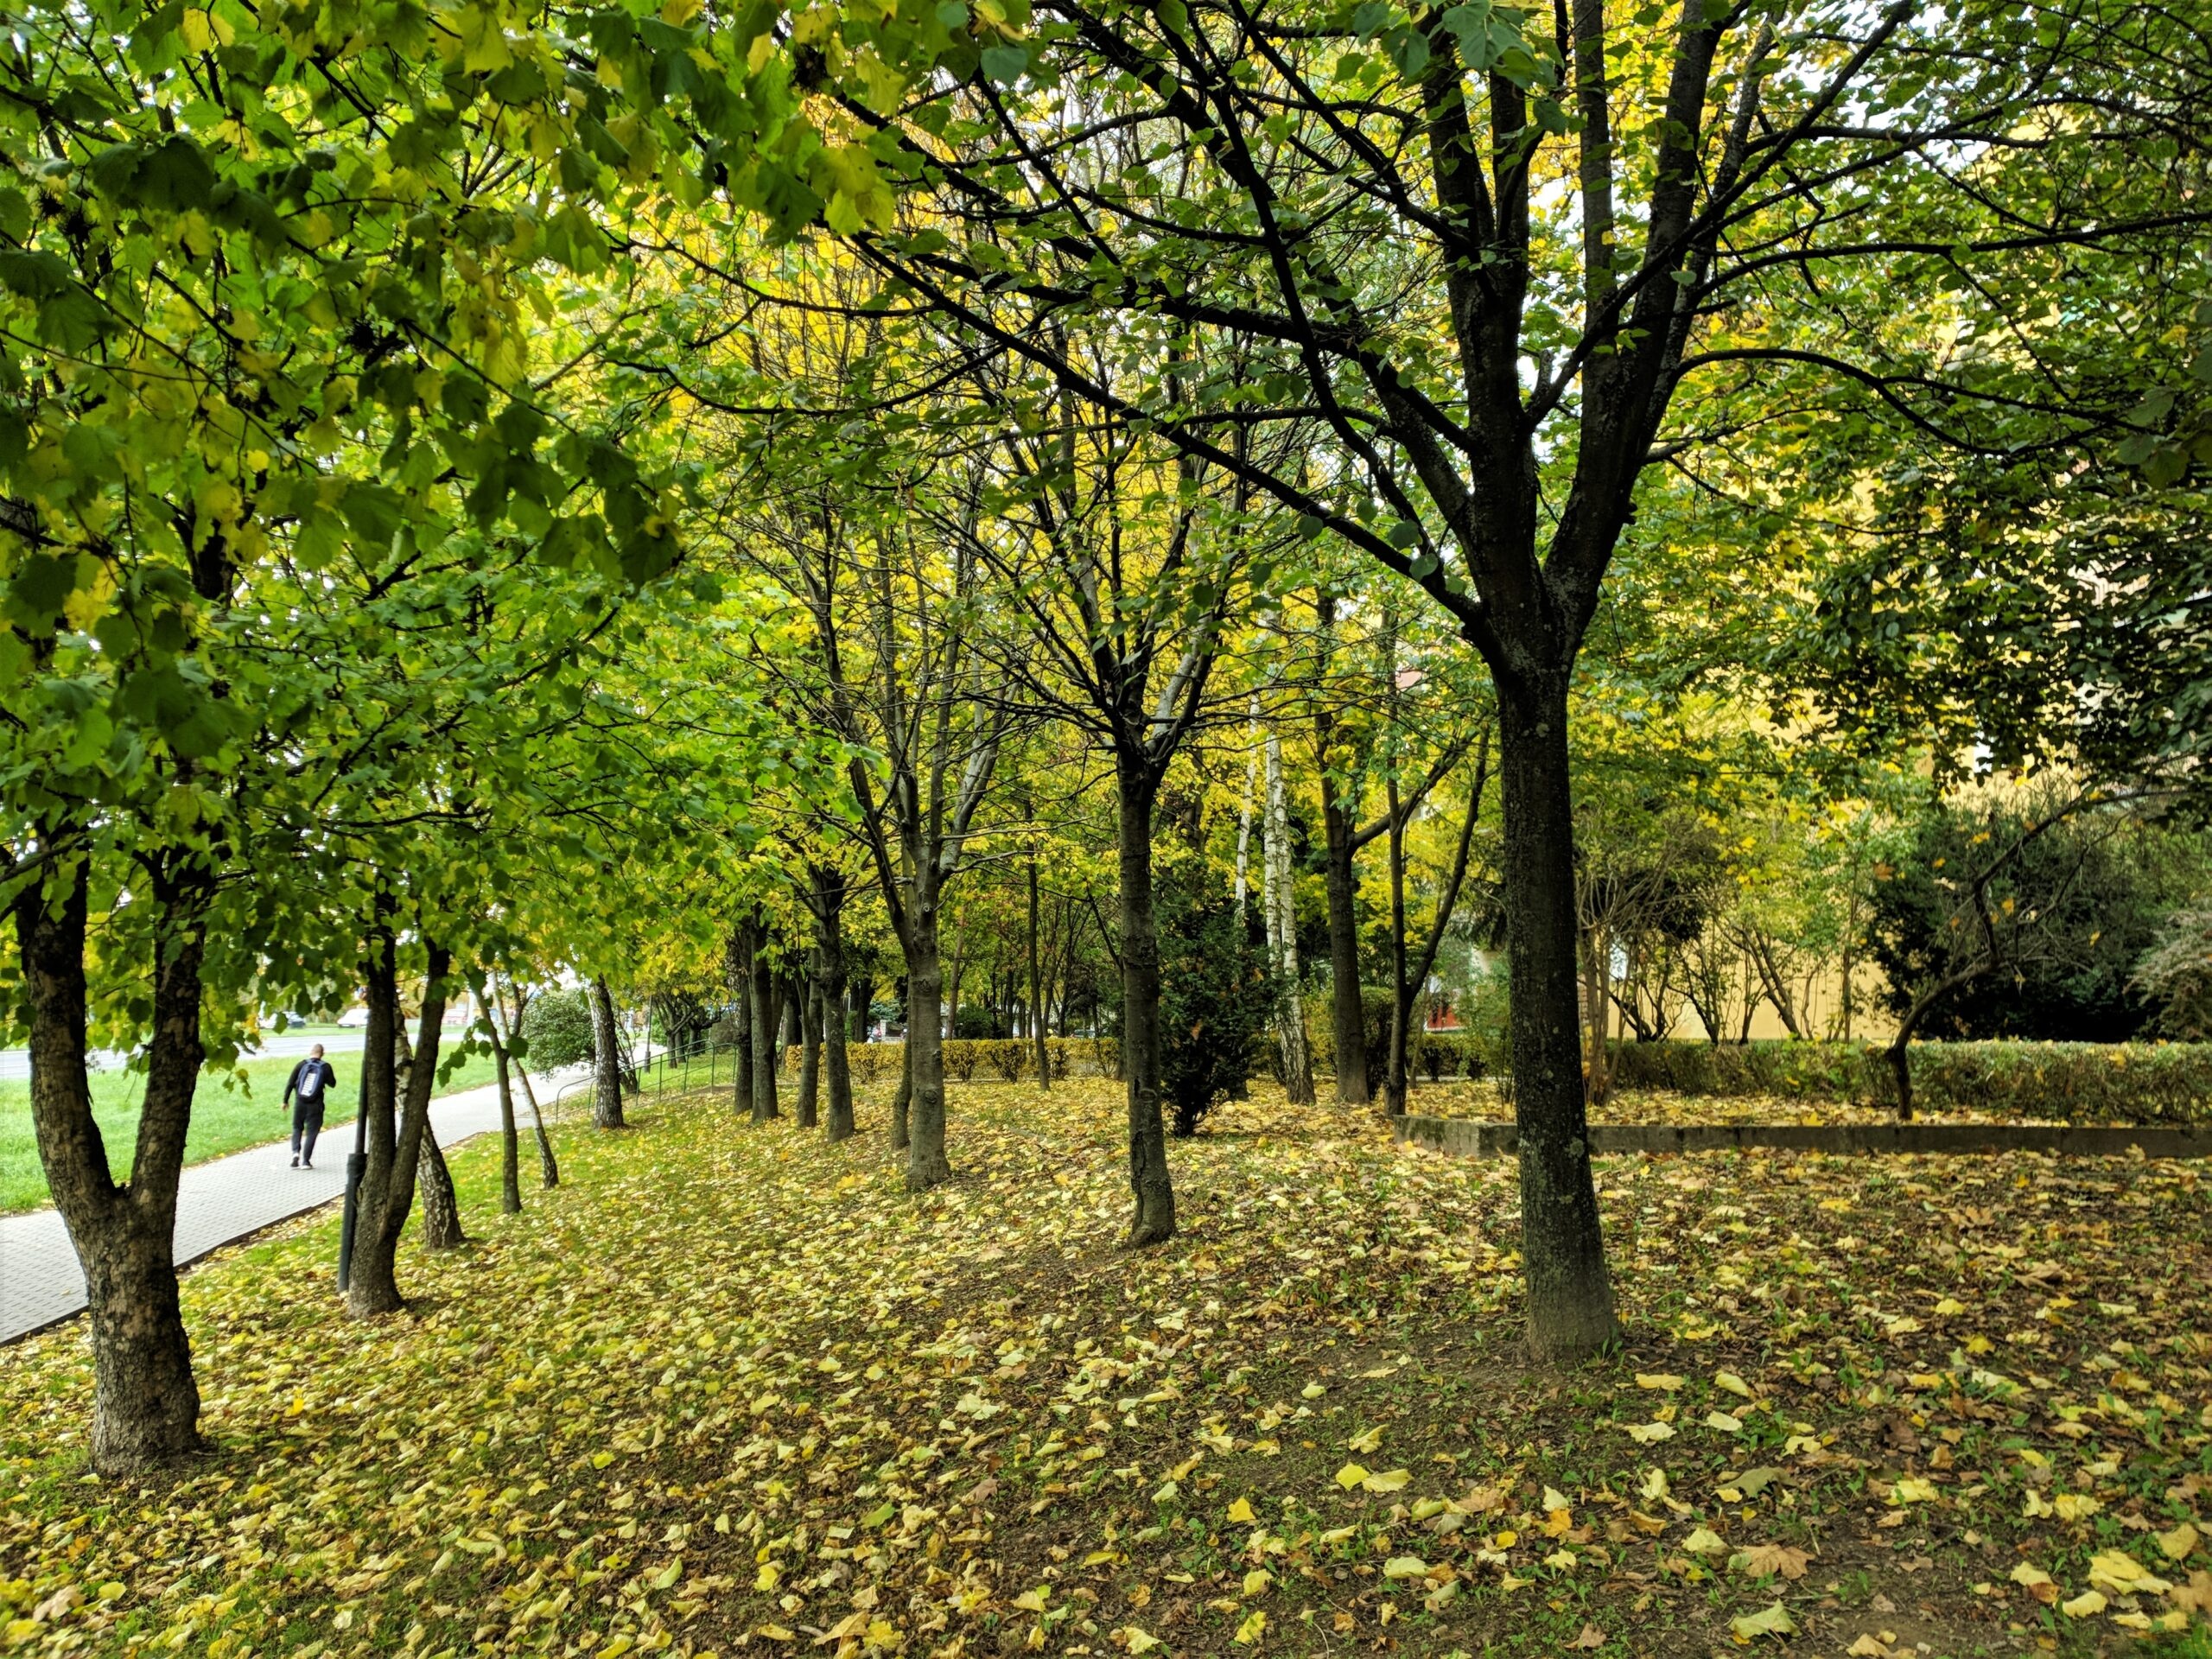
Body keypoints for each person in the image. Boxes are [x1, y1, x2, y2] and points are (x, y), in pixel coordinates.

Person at [283, 1044, 337, 1169]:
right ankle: (306, 1162)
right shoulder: (325, 1067)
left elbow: (290, 1083)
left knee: (297, 1127)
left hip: (300, 1102)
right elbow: (333, 1084)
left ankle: (295, 1153)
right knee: (312, 1132)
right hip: (315, 1104)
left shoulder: (301, 1064)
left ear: (311, 1052)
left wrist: (285, 1101)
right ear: (322, 1054)